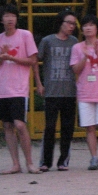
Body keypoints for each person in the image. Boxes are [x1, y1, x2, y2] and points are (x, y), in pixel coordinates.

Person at [0, 4, 41, 174]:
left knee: (20, 125)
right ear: (1, 20)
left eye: (13, 16)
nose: (10, 19)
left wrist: (12, 57)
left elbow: (33, 60)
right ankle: (15, 164)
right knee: (7, 126)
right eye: (6, 16)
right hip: (1, 89)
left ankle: (30, 163)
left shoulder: (25, 35)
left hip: (19, 88)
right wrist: (1, 57)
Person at [70, 14, 98, 170]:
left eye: (91, 25)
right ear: (82, 29)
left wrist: (97, 53)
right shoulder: (77, 47)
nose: (88, 28)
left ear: (97, 28)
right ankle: (94, 158)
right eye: (85, 25)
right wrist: (85, 56)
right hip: (85, 92)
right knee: (89, 127)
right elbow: (76, 70)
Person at [34, 11, 78, 172]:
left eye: (74, 24)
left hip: (70, 92)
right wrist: (39, 83)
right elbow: (35, 61)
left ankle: (63, 160)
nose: (72, 26)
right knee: (50, 127)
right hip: (52, 92)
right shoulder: (47, 41)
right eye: (69, 23)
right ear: (61, 23)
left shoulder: (74, 42)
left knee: (68, 128)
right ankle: (45, 161)